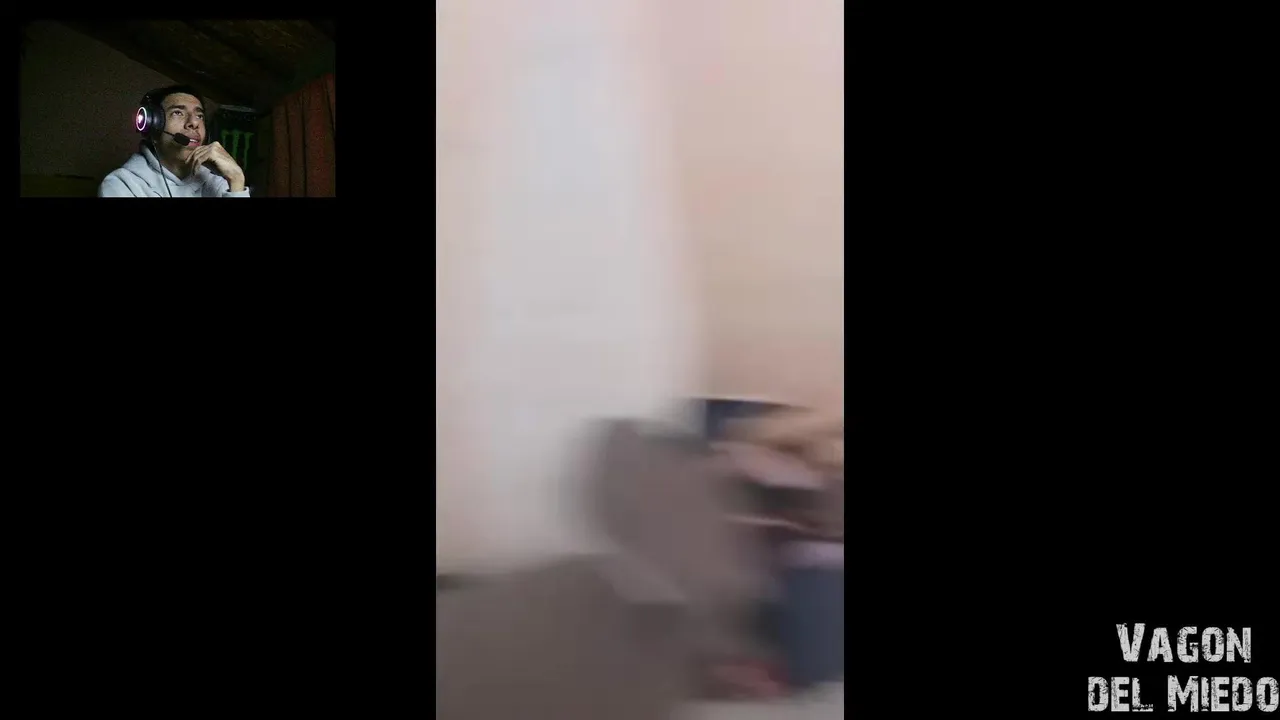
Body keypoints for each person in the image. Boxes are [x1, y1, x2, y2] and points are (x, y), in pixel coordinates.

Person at [99, 84, 250, 197]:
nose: (194, 122)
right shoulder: (120, 184)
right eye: (178, 113)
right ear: (153, 127)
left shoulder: (218, 184)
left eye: (199, 116)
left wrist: (236, 180)